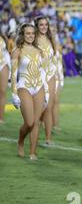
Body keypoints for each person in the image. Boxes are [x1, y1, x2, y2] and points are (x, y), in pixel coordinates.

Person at [11, 23, 48, 160]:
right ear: (22, 34)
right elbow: (13, 75)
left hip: (39, 87)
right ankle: (20, 141)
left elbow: (43, 72)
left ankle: (33, 152)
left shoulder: (40, 51)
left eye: (33, 33)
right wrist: (14, 93)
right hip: (24, 87)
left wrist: (47, 92)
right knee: (29, 122)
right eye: (28, 33)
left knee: (36, 122)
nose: (31, 36)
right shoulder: (17, 51)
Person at [34, 16, 57, 145]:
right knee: (38, 109)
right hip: (38, 76)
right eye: (41, 25)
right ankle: (32, 133)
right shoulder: (33, 39)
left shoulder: (50, 39)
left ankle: (48, 139)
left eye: (46, 25)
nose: (44, 27)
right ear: (37, 26)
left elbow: (53, 57)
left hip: (50, 74)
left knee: (49, 107)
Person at [0, 33, 11, 123]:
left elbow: (7, 50)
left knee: (3, 91)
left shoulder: (2, 36)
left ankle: (1, 118)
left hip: (3, 63)